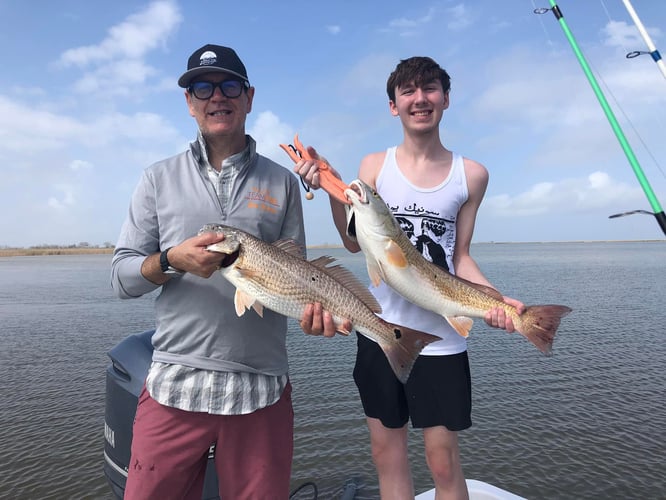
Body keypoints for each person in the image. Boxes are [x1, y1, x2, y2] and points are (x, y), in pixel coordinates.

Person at [111, 43, 340, 500]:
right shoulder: (157, 178)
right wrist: (172, 260)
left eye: (230, 85)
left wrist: (316, 318)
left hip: (262, 391)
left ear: (249, 98)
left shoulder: (282, 182)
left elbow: (297, 276)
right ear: (189, 103)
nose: (218, 96)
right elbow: (121, 278)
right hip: (175, 386)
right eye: (203, 87)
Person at [294, 56, 526, 499]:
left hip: (442, 337)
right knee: (387, 454)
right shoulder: (374, 166)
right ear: (393, 106)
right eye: (408, 91)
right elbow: (353, 243)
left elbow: (460, 256)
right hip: (381, 330)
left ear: (446, 98)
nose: (420, 99)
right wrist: (333, 188)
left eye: (431, 89)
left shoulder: (472, 175)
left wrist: (496, 300)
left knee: (443, 461)